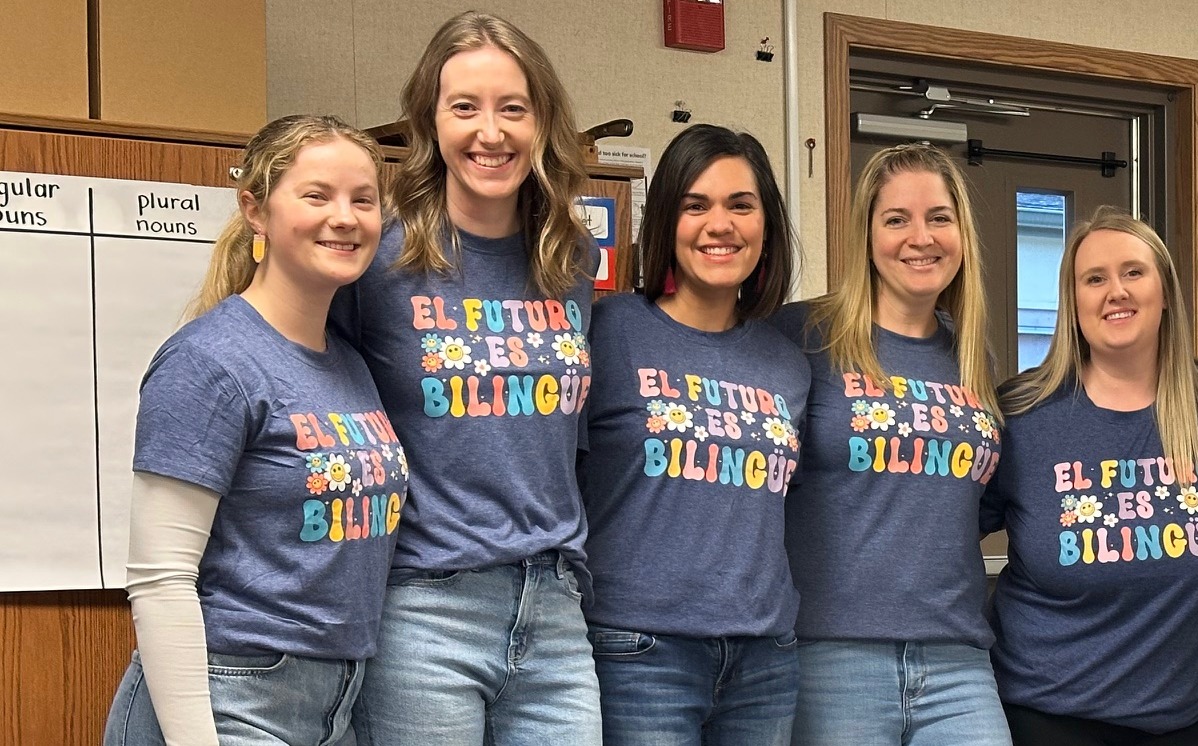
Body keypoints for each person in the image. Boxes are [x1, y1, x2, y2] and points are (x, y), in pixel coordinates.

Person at [332, 11, 602, 743]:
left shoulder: (568, 260)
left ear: (542, 121)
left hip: (553, 604)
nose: (492, 132)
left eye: (513, 108)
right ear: (430, 121)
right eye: (465, 108)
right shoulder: (380, 255)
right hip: (425, 605)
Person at [104, 114, 401, 746]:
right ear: (256, 211)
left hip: (334, 704)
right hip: (229, 698)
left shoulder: (349, 363)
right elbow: (161, 580)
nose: (344, 217)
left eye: (363, 199)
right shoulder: (209, 362)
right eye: (316, 195)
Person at [769, 142, 1009, 745]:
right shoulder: (802, 336)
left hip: (958, 659)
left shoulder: (971, 354)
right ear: (867, 235)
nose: (920, 237)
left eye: (939, 218)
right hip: (832, 657)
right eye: (896, 219)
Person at [577, 123, 806, 745]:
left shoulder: (787, 362)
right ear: (665, 223)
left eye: (741, 204)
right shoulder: (608, 331)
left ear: (766, 223)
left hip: (766, 656)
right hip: (639, 651)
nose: (720, 224)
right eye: (695, 205)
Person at [982, 207, 1198, 745]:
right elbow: (939, 539)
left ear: (1165, 292)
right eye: (1094, 279)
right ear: (1073, 303)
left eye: (1133, 272)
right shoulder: (1022, 414)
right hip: (1047, 719)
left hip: (1187, 723)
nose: (1115, 291)